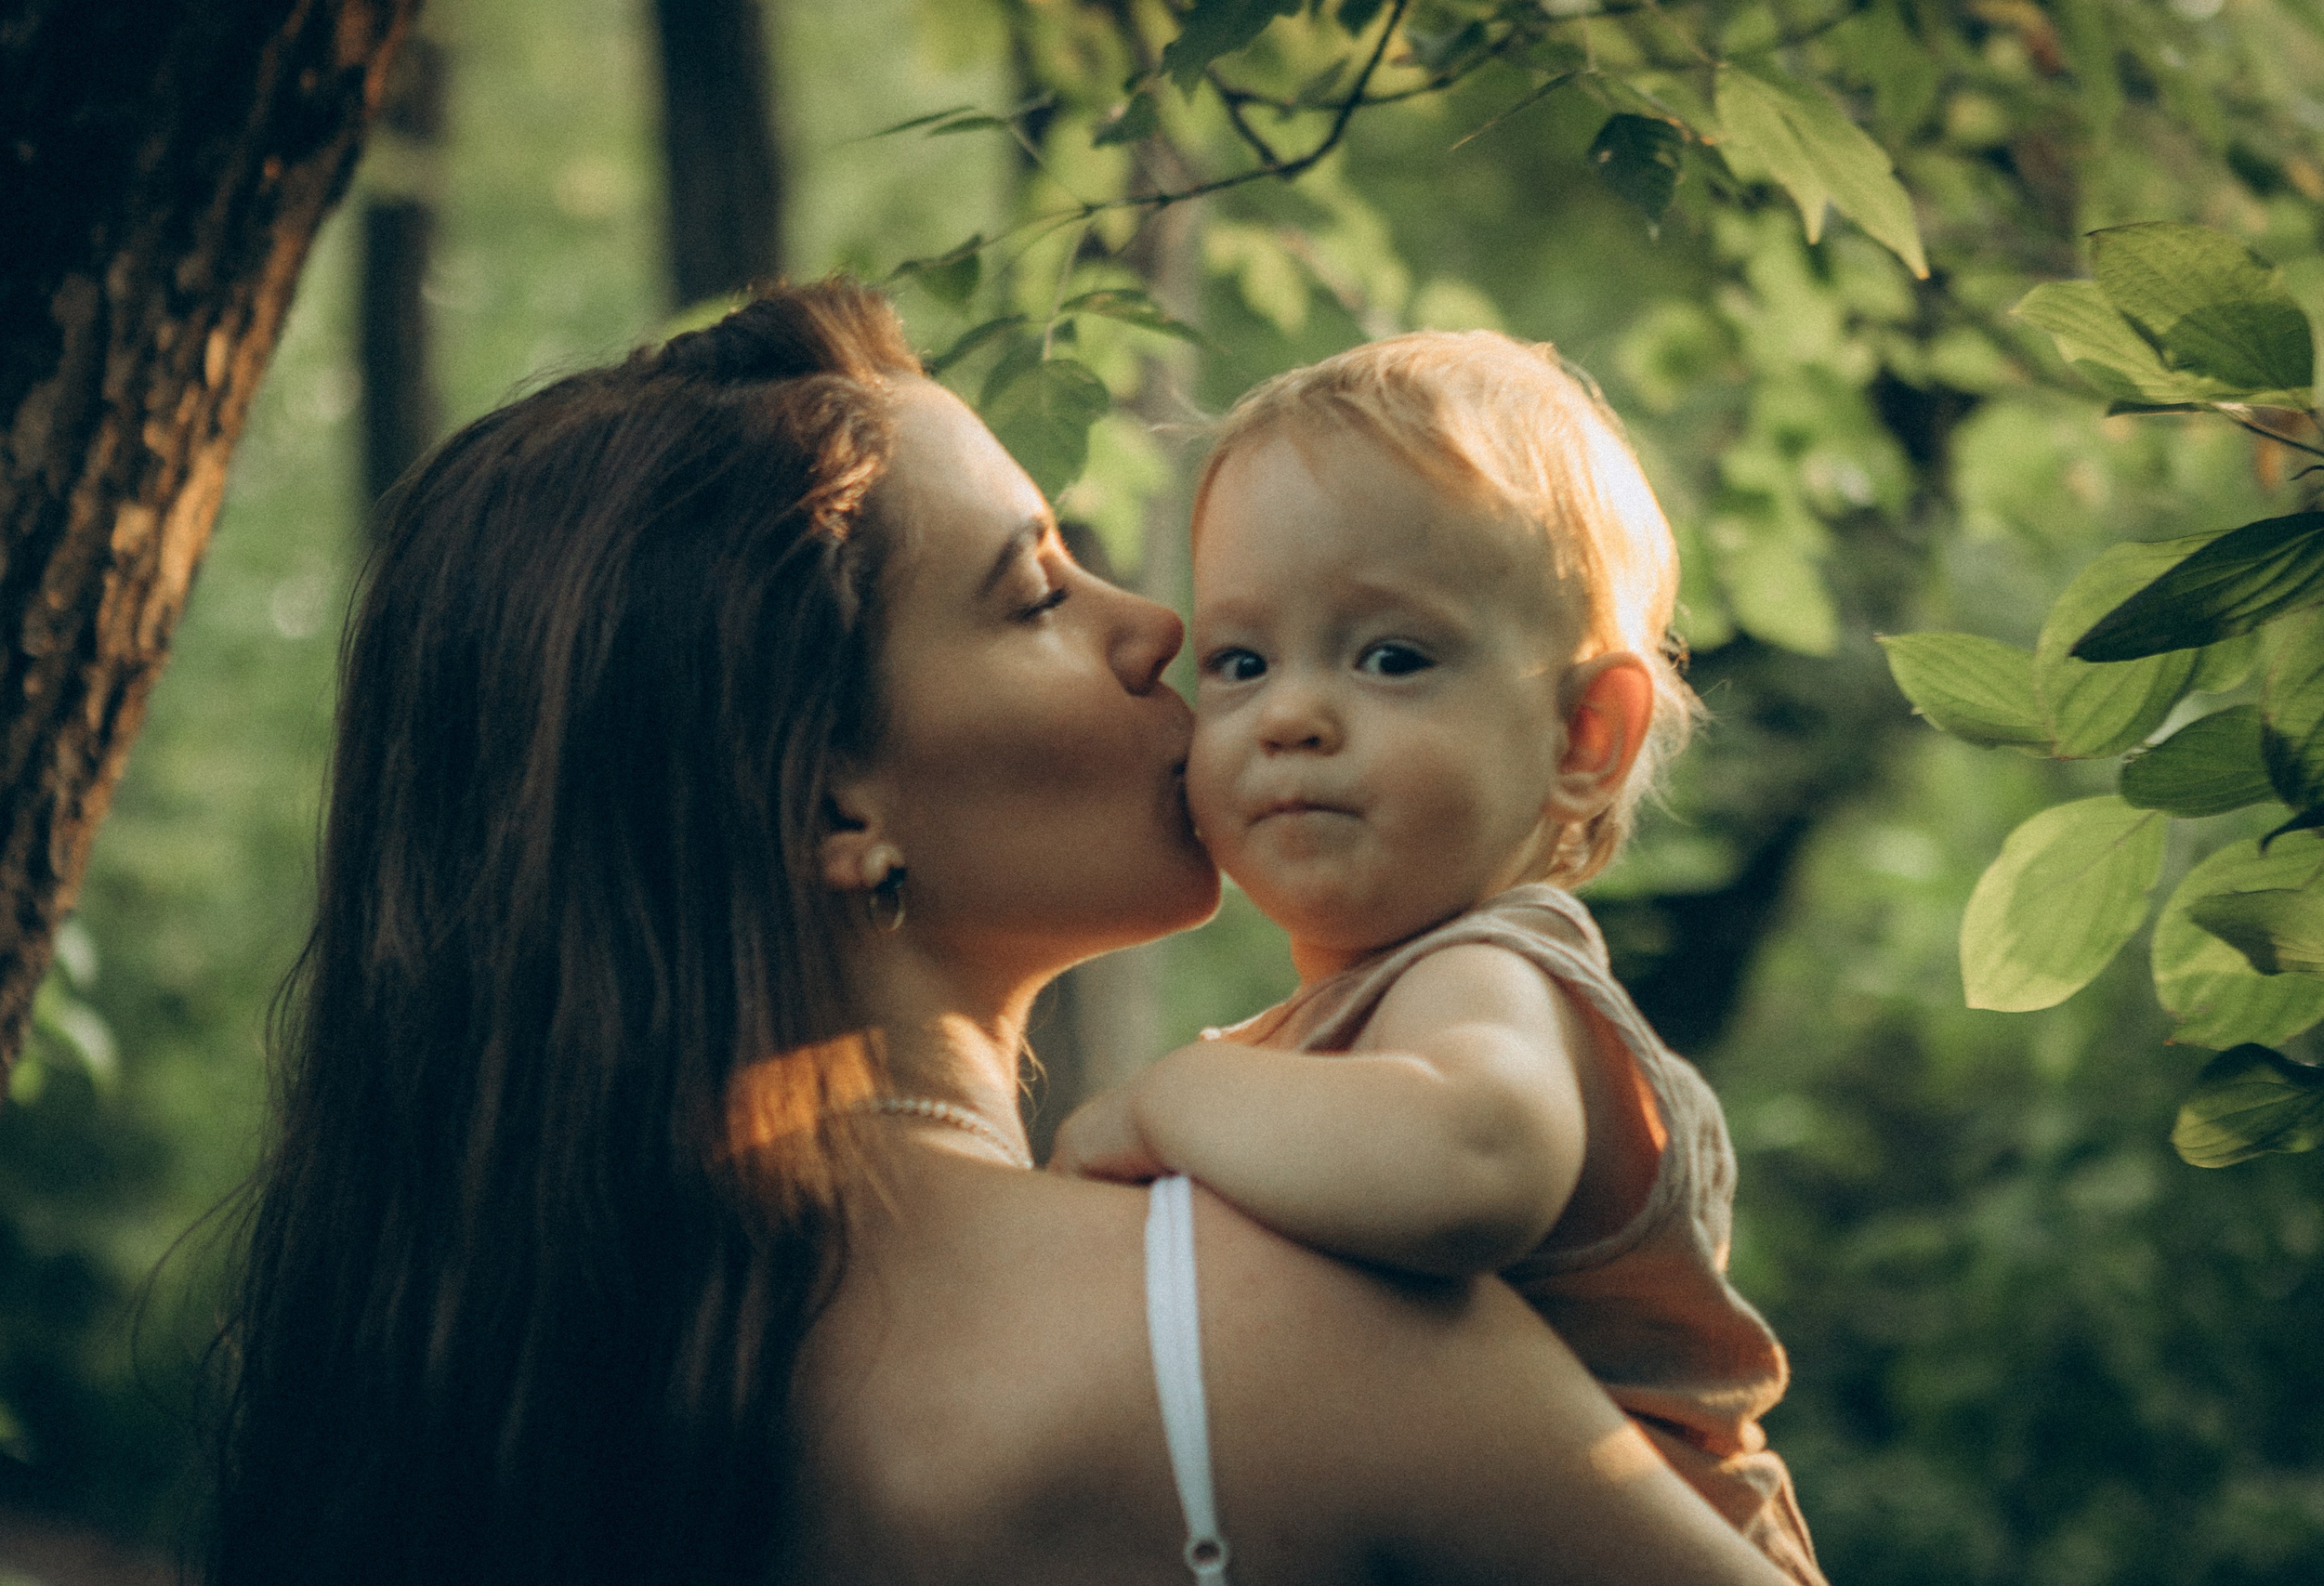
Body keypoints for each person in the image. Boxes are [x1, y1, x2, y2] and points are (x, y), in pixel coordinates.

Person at [205, 281, 1797, 1586]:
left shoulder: (511, 1385)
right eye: (1038, 591)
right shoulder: (1275, 1330)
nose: (1159, 630)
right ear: (838, 808)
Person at [1049, 330, 1825, 1584]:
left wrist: (1167, 1098)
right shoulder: (1357, 1024)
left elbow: (1477, 1156)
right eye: (1241, 663)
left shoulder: (1490, 970)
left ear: (1585, 734)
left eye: (1391, 658)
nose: (1291, 714)